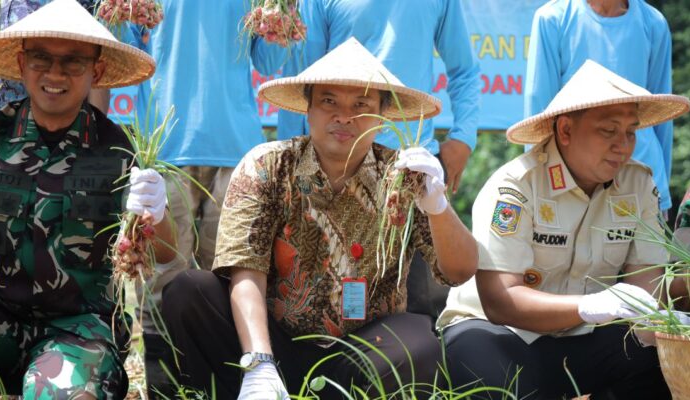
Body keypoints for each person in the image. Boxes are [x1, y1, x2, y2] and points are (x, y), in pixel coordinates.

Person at [161, 38, 478, 399]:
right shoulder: (268, 166)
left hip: (360, 351)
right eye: (329, 101)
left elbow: (460, 271)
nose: (344, 116)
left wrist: (438, 207)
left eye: (361, 105)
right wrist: (259, 361)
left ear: (382, 116)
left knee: (418, 341)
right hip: (271, 342)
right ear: (308, 108)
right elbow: (246, 270)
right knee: (189, 292)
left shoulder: (404, 176)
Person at [437, 60, 690, 399]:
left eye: (631, 132)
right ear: (566, 130)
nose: (623, 145)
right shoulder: (516, 187)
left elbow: (645, 287)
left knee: (655, 359)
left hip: (584, 337)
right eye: (608, 130)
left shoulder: (638, 183)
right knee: (491, 372)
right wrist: (589, 305)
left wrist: (659, 319)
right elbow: (501, 302)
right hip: (497, 330)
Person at [0, 0, 174, 397]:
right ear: (22, 64)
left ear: (97, 71)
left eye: (73, 62)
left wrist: (156, 213)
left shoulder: (119, 151)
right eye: (42, 58)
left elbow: (163, 251)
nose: (55, 73)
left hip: (79, 330)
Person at [277, 0, 481, 317]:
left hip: (408, 166)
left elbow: (464, 69)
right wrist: (291, 154)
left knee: (416, 303)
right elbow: (304, 73)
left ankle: (405, 362)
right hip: (335, 164)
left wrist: (463, 137)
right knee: (316, 290)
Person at [128, 1, 287, 395]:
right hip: (166, 148)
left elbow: (270, 60)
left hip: (237, 151)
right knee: (160, 284)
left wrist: (280, 13)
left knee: (235, 283)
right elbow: (125, 48)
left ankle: (238, 386)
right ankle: (166, 390)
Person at [525, 0, 675, 215]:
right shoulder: (553, 19)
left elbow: (661, 112)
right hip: (573, 183)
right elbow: (540, 113)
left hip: (643, 178)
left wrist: (660, 189)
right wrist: (537, 186)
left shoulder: (653, 23)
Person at [0, 0, 110, 112]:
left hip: (67, 118)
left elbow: (102, 53)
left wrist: (96, 127)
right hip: (3, 113)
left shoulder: (91, 5)